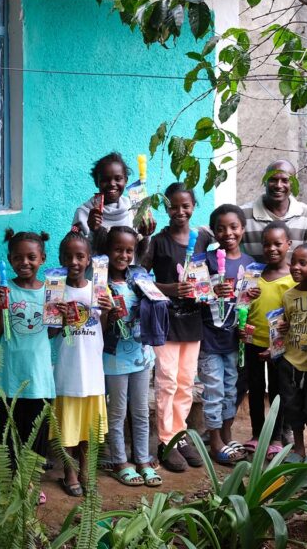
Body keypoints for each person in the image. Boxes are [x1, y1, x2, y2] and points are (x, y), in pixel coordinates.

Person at [143, 182, 212, 472]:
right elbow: (139, 277)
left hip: (193, 321)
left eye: (186, 206)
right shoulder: (158, 242)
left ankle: (180, 434)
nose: (180, 211)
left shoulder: (202, 238)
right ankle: (165, 440)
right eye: (174, 206)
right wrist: (171, 288)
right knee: (167, 380)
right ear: (166, 207)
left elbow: (213, 273)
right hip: (166, 322)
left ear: (193, 206)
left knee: (186, 381)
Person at [49, 231, 113, 498]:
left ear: (88, 260)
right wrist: (59, 318)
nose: (74, 261)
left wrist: (109, 310)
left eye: (80, 256)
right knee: (67, 429)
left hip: (93, 372)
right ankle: (69, 472)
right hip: (67, 371)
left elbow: (104, 329)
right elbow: (51, 334)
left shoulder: (99, 289)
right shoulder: (55, 290)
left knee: (89, 428)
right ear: (61, 258)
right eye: (68, 256)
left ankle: (86, 470)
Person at [0, 228, 54, 505]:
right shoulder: (6, 290)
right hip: (9, 378)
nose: (25, 262)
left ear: (42, 258)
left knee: (36, 436)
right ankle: (11, 481)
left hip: (40, 379)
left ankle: (30, 481)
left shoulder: (50, 292)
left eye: (31, 257)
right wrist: (0, 308)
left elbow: (51, 333)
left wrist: (60, 317)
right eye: (18, 258)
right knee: (8, 433)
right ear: (10, 259)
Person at [100, 226, 161, 488]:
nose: (123, 255)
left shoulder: (140, 276)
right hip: (113, 357)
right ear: (107, 251)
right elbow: (97, 324)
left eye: (128, 250)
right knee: (116, 412)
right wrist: (108, 316)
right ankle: (119, 461)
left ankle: (144, 460)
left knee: (140, 411)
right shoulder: (100, 282)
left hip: (141, 355)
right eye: (117, 249)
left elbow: (156, 300)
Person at [199, 204, 254, 466]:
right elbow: (195, 296)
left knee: (232, 389)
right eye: (220, 228)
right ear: (213, 231)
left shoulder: (251, 265)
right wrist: (211, 291)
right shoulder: (206, 261)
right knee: (214, 390)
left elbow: (251, 304)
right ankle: (214, 440)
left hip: (235, 341)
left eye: (234, 227)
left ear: (243, 229)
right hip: (210, 339)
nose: (228, 233)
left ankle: (227, 433)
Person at [239, 220, 294, 460]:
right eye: (267, 244)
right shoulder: (253, 273)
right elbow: (241, 305)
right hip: (252, 341)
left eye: (277, 244)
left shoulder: (294, 277)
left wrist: (276, 347)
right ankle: (257, 433)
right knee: (255, 387)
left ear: (288, 245)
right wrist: (246, 297)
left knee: (278, 390)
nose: (271, 249)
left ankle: (276, 437)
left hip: (279, 346)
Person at [278, 243, 307, 463]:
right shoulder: (288, 295)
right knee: (292, 405)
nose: (295, 267)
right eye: (293, 262)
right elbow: (285, 321)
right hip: (291, 360)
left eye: (303, 263)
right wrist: (281, 326)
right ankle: (298, 446)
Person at [239, 160, 307, 261]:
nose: (278, 185)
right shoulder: (243, 214)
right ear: (265, 182)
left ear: (293, 184)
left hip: (292, 277)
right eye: (273, 179)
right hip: (253, 276)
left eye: (285, 180)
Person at [72, 152, 155, 252]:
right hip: (96, 268)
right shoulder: (84, 213)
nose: (112, 184)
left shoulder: (134, 209)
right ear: (96, 182)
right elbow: (75, 252)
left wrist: (146, 235)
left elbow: (142, 253)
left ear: (126, 180)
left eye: (118, 179)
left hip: (129, 268)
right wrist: (93, 231)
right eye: (105, 180)